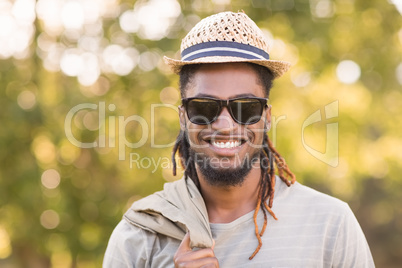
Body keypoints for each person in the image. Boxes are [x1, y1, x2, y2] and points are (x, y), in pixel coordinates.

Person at [103, 11, 375, 267]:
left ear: (267, 117)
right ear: (183, 117)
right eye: (204, 107)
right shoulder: (138, 236)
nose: (224, 125)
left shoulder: (330, 225)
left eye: (245, 107)